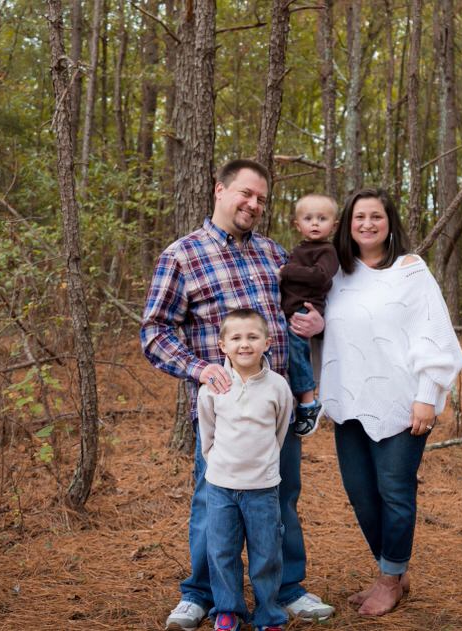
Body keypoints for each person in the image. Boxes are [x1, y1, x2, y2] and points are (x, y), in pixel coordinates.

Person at [140, 159, 335, 631]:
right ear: (220, 190)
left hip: (275, 410)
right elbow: (155, 332)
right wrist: (201, 368)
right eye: (246, 193)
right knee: (213, 502)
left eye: (262, 199)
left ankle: (287, 589)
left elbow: (295, 319)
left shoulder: (275, 254)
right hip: (222, 412)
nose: (253, 204)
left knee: (282, 498)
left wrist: (316, 326)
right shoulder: (183, 255)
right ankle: (201, 594)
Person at [318, 188, 462, 616]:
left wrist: (428, 396)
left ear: (389, 223)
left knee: (394, 492)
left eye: (376, 216)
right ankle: (394, 571)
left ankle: (389, 579)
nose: (367, 223)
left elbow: (435, 334)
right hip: (350, 402)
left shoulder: (410, 270)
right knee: (361, 494)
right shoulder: (336, 275)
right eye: (358, 216)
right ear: (347, 224)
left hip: (402, 403)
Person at [198, 309, 293, 631]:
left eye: (252, 337)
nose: (245, 344)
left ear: (267, 342)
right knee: (222, 550)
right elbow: (207, 434)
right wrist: (218, 464)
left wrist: (262, 464)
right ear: (222, 345)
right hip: (221, 485)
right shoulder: (212, 387)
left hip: (263, 487)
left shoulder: (278, 386)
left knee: (266, 554)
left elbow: (280, 432)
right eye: (236, 338)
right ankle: (228, 610)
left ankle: (269, 614)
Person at [279, 194, 340, 437]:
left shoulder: (328, 251)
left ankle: (308, 401)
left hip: (306, 308)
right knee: (289, 350)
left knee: (296, 346)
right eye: (308, 218)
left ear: (333, 225)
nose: (315, 223)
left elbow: (319, 276)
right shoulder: (300, 249)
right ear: (297, 224)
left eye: (322, 218)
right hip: (290, 308)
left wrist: (287, 271)